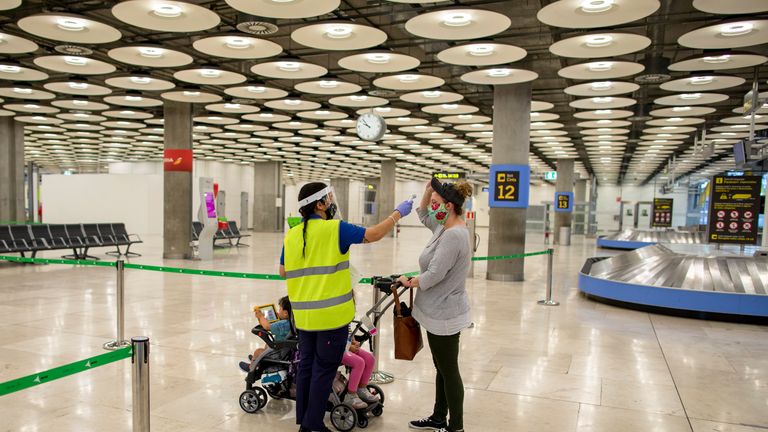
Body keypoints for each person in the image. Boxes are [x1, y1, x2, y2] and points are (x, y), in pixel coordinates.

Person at [281, 182, 413, 432]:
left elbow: (283, 271)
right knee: (323, 370)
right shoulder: (334, 229)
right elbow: (373, 234)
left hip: (304, 317)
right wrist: (398, 213)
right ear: (319, 204)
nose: (332, 202)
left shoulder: (292, 235)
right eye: (329, 198)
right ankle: (313, 426)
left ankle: (305, 423)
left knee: (307, 367)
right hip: (331, 318)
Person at [398, 178, 473, 432]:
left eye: (435, 204)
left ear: (449, 206)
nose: (431, 208)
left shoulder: (454, 235)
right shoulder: (444, 227)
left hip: (445, 315)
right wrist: (427, 192)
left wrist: (409, 281)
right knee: (441, 367)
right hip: (436, 311)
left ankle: (456, 427)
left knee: (449, 370)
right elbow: (423, 216)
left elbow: (433, 275)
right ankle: (439, 417)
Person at [238, 296, 292, 373]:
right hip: (286, 351)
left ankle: (252, 367)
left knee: (258, 351)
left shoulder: (283, 324)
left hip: (279, 354)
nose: (278, 311)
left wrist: (261, 317)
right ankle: (257, 359)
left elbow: (267, 326)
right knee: (267, 346)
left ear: (286, 313)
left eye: (280, 309)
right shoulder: (292, 323)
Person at [340, 333, 379, 409]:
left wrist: (353, 341)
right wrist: (349, 346)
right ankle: (350, 395)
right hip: (335, 348)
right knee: (359, 362)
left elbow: (349, 332)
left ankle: (361, 389)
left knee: (370, 359)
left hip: (346, 345)